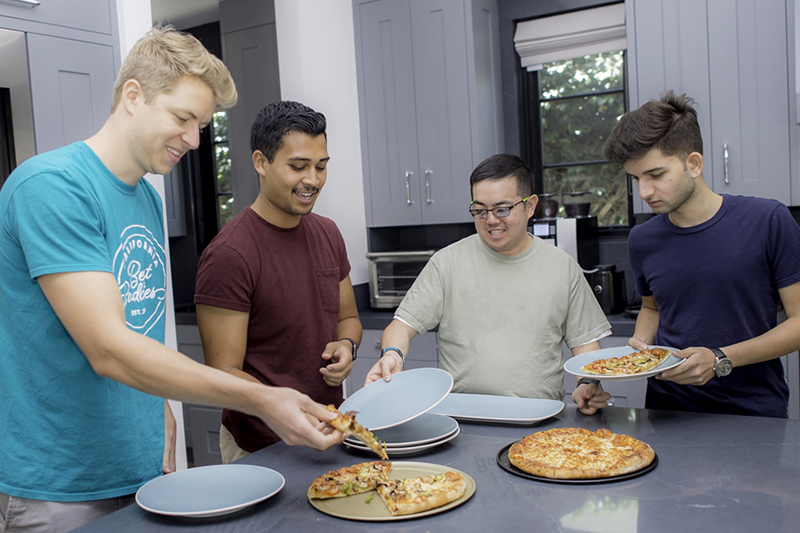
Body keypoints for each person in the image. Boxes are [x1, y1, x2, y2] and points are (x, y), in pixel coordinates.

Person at [0, 27, 345, 532]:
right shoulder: (52, 187)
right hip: (60, 481)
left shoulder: (145, 198)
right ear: (133, 96)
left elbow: (135, 325)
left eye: (202, 124)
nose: (193, 139)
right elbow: (108, 347)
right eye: (183, 118)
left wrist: (157, 404)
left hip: (141, 465)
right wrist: (265, 398)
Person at [603, 90, 800, 417]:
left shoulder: (768, 220)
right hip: (667, 408)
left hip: (752, 410)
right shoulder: (642, 239)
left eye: (655, 175)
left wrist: (720, 358)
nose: (644, 192)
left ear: (693, 164)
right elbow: (652, 309)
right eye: (635, 178)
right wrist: (640, 343)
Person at [365, 153, 612, 414]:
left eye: (502, 209)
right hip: (462, 418)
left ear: (530, 206)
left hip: (541, 418)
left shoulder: (562, 267)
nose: (491, 220)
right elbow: (401, 326)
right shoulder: (447, 263)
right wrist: (392, 356)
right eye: (480, 210)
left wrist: (588, 382)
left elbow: (584, 343)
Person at [194, 100, 362, 463]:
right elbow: (224, 374)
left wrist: (347, 346)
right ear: (261, 162)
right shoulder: (229, 254)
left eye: (321, 166)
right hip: (258, 447)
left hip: (330, 435)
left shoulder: (329, 233)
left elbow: (348, 319)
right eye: (298, 166)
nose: (313, 180)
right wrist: (286, 408)